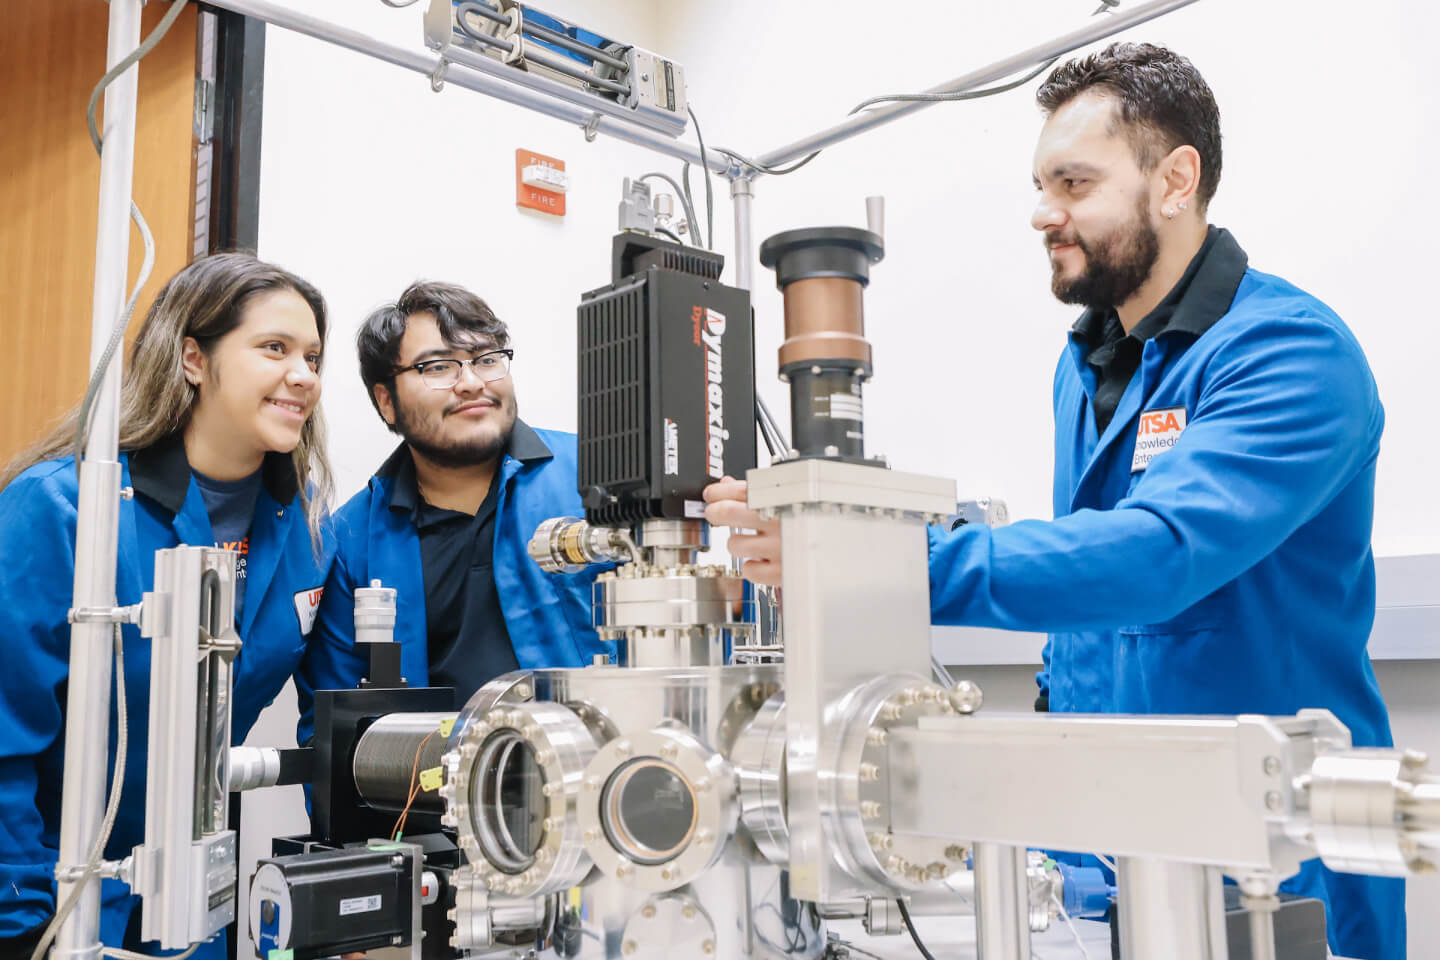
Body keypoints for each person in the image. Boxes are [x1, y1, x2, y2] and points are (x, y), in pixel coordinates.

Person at [706, 43, 1402, 960]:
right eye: (1041, 185)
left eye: (1074, 184)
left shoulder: (1289, 355)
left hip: (1270, 851)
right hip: (1102, 846)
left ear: (1176, 180)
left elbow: (1157, 558)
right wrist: (866, 528)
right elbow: (1086, 576)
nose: (1044, 213)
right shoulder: (1089, 362)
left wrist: (880, 568)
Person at [0, 253, 336, 955]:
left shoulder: (304, 531)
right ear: (193, 359)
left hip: (191, 904)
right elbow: (5, 739)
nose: (303, 375)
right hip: (48, 896)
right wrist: (22, 922)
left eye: (312, 355)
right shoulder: (67, 508)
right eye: (274, 348)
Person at [297, 281, 608, 732]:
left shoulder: (595, 481)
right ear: (387, 401)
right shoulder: (349, 544)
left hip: (600, 780)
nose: (472, 383)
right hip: (435, 795)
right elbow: (335, 737)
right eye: (439, 366)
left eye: (487, 359)